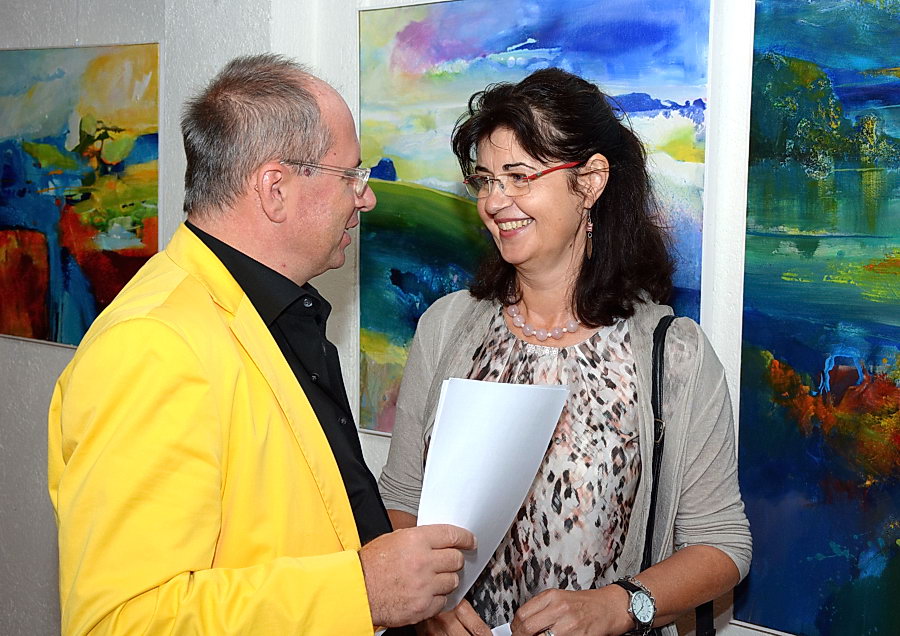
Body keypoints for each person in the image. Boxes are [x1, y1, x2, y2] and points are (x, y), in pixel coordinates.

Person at [47, 54, 474, 636]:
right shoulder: (153, 345)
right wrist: (362, 592)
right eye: (350, 175)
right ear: (275, 189)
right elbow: (120, 622)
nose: (366, 198)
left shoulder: (273, 310)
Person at [378, 68, 751, 636]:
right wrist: (431, 602)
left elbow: (721, 544)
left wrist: (617, 606)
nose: (494, 201)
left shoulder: (673, 355)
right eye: (485, 180)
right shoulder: (447, 328)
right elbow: (401, 498)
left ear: (591, 181)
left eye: (519, 176)